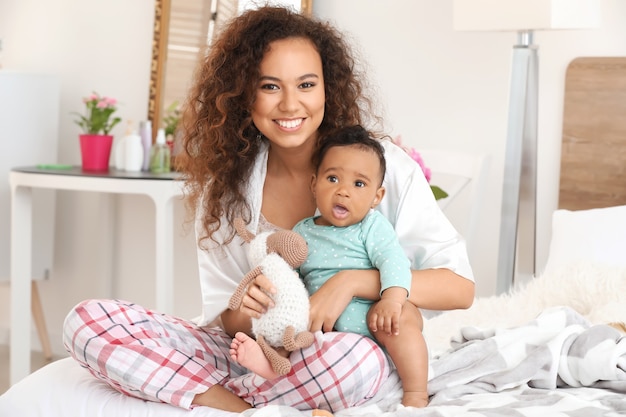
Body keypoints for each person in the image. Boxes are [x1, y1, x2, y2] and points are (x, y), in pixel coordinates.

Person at [62, 5, 475, 414]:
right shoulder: (228, 189)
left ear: (327, 89)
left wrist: (351, 282)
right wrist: (249, 308)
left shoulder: (377, 167)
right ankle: (243, 407)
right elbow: (226, 322)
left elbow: (460, 288)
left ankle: (240, 397)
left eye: (307, 85)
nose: (291, 105)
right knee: (86, 322)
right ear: (244, 93)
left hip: (344, 351)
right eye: (270, 86)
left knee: (357, 363)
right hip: (258, 354)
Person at [230, 125, 429, 408]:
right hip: (322, 330)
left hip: (372, 321)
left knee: (402, 323)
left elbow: (393, 261)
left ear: (377, 196)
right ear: (314, 185)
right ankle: (271, 366)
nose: (343, 191)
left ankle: (416, 392)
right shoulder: (303, 232)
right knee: (288, 327)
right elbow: (292, 278)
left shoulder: (371, 227)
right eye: (333, 178)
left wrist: (393, 300)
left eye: (358, 184)